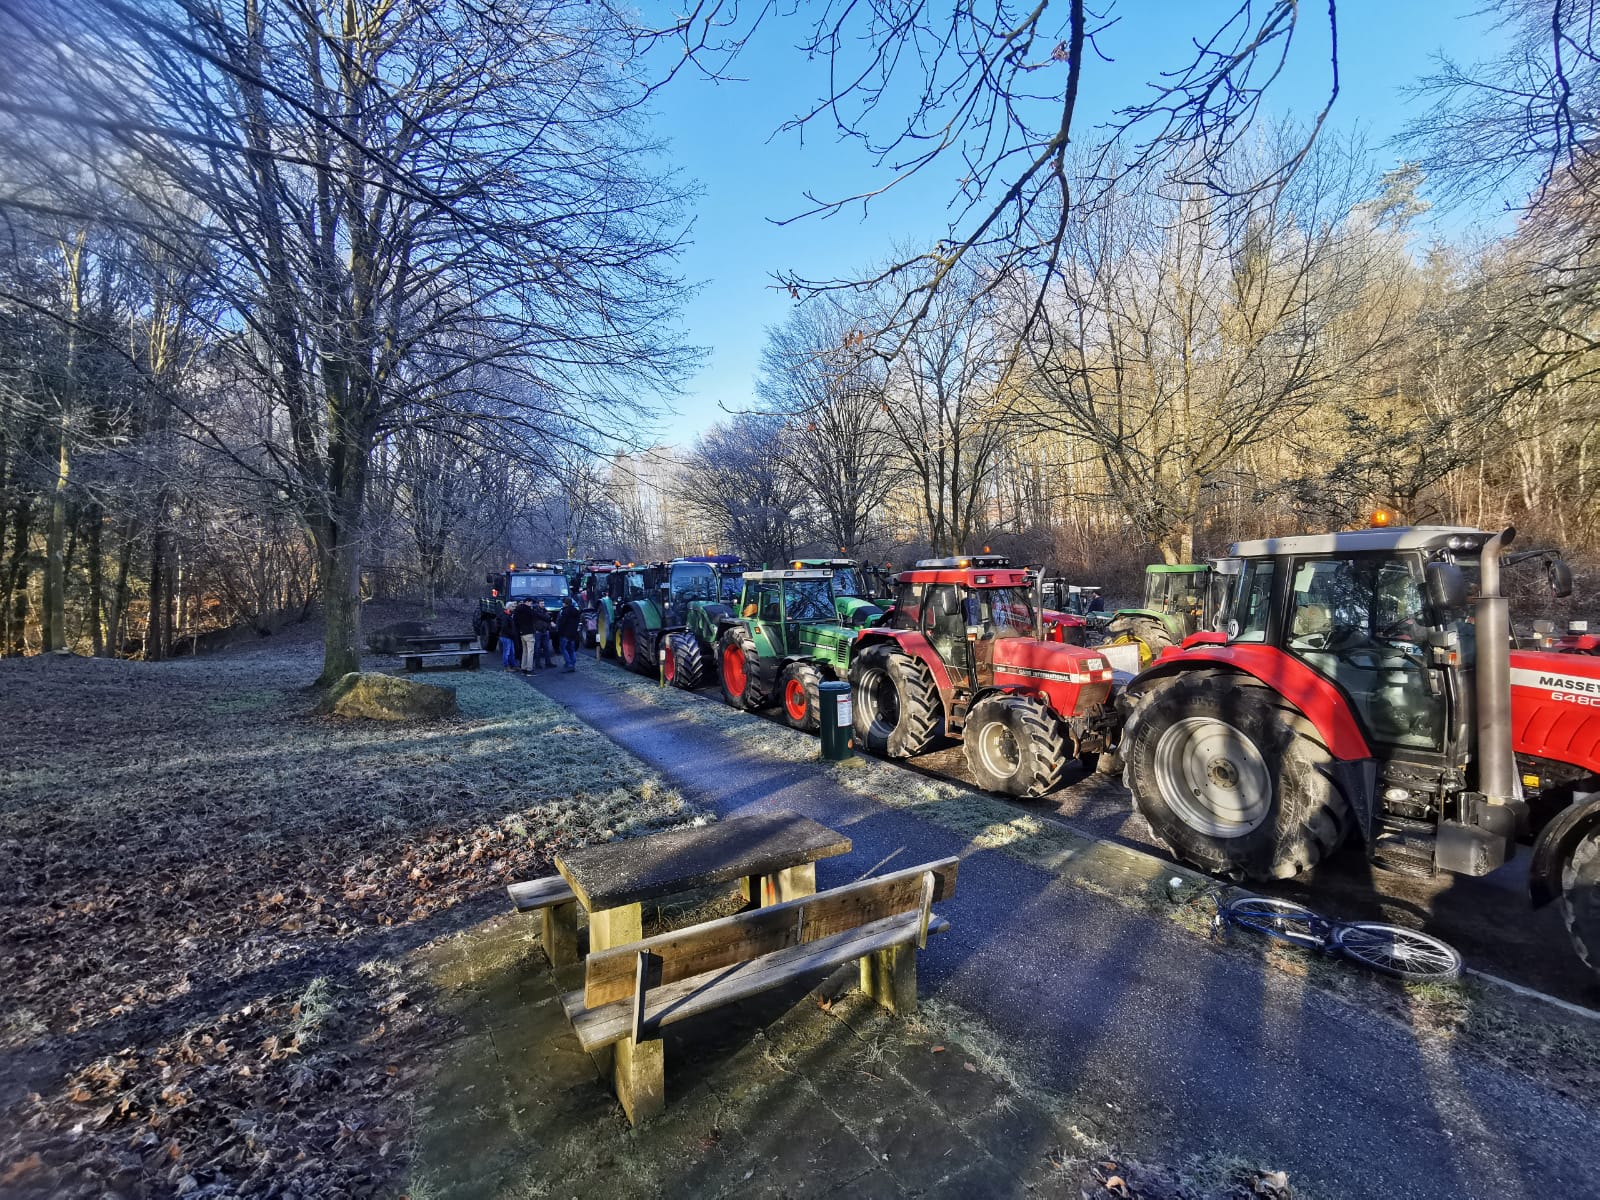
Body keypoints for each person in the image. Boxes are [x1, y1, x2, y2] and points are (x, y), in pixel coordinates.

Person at [555, 596, 581, 672]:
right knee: (572, 650)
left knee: (563, 649)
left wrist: (558, 631)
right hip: (573, 633)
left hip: (565, 633)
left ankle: (568, 664)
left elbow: (562, 623)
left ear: (565, 603)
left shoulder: (564, 611)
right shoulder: (576, 611)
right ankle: (572, 665)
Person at [531, 598, 556, 669]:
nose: (543, 605)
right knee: (537, 648)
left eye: (543, 603)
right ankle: (538, 664)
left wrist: (549, 619)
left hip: (545, 631)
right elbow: (546, 617)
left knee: (546, 648)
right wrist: (549, 618)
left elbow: (548, 617)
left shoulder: (544, 610)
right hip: (538, 631)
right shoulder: (535, 611)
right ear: (538, 604)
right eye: (541, 603)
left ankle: (548, 663)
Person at [514, 598, 537, 672]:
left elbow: (515, 621)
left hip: (522, 633)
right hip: (529, 632)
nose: (531, 604)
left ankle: (523, 667)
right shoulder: (528, 610)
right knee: (530, 651)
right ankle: (529, 669)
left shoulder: (517, 610)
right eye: (531, 603)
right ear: (527, 602)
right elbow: (535, 617)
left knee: (525, 651)